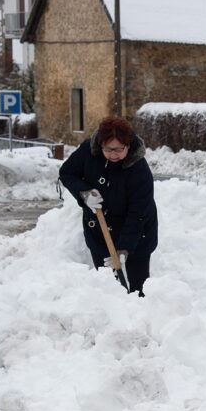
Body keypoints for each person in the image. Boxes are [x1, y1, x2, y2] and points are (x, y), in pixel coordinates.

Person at [59, 115, 157, 295]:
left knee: (139, 289)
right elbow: (67, 173)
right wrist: (84, 193)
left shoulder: (139, 170)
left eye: (119, 149)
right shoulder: (88, 151)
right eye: (108, 149)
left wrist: (124, 248)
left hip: (137, 232)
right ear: (101, 144)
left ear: (128, 145)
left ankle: (140, 317)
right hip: (99, 230)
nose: (113, 155)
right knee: (107, 288)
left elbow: (138, 213)